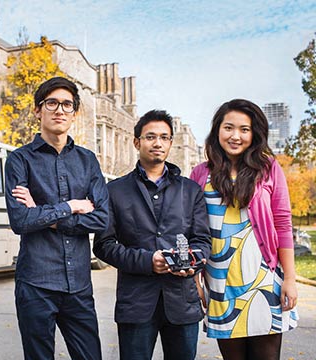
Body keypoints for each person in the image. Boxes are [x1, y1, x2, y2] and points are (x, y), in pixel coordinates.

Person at [4, 77, 109, 360]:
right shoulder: (19, 160)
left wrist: (45, 214)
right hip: (36, 283)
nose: (59, 110)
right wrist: (71, 206)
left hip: (79, 285)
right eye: (51, 103)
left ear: (74, 113)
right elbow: (20, 221)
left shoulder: (88, 161)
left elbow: (101, 220)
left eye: (67, 104)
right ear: (38, 110)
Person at [93, 109, 212, 360]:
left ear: (170, 143)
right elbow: (103, 245)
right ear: (137, 142)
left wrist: (192, 262)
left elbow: (202, 241)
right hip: (136, 303)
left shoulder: (190, 190)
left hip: (182, 302)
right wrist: (148, 261)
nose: (157, 143)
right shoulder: (114, 190)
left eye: (164, 137)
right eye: (150, 137)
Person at [190, 99, 298, 360]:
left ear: (254, 134)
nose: (235, 136)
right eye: (229, 128)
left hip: (264, 279)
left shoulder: (268, 169)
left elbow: (283, 224)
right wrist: (196, 280)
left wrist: (291, 280)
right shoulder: (200, 174)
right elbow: (191, 229)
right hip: (219, 281)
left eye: (244, 129)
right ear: (217, 130)